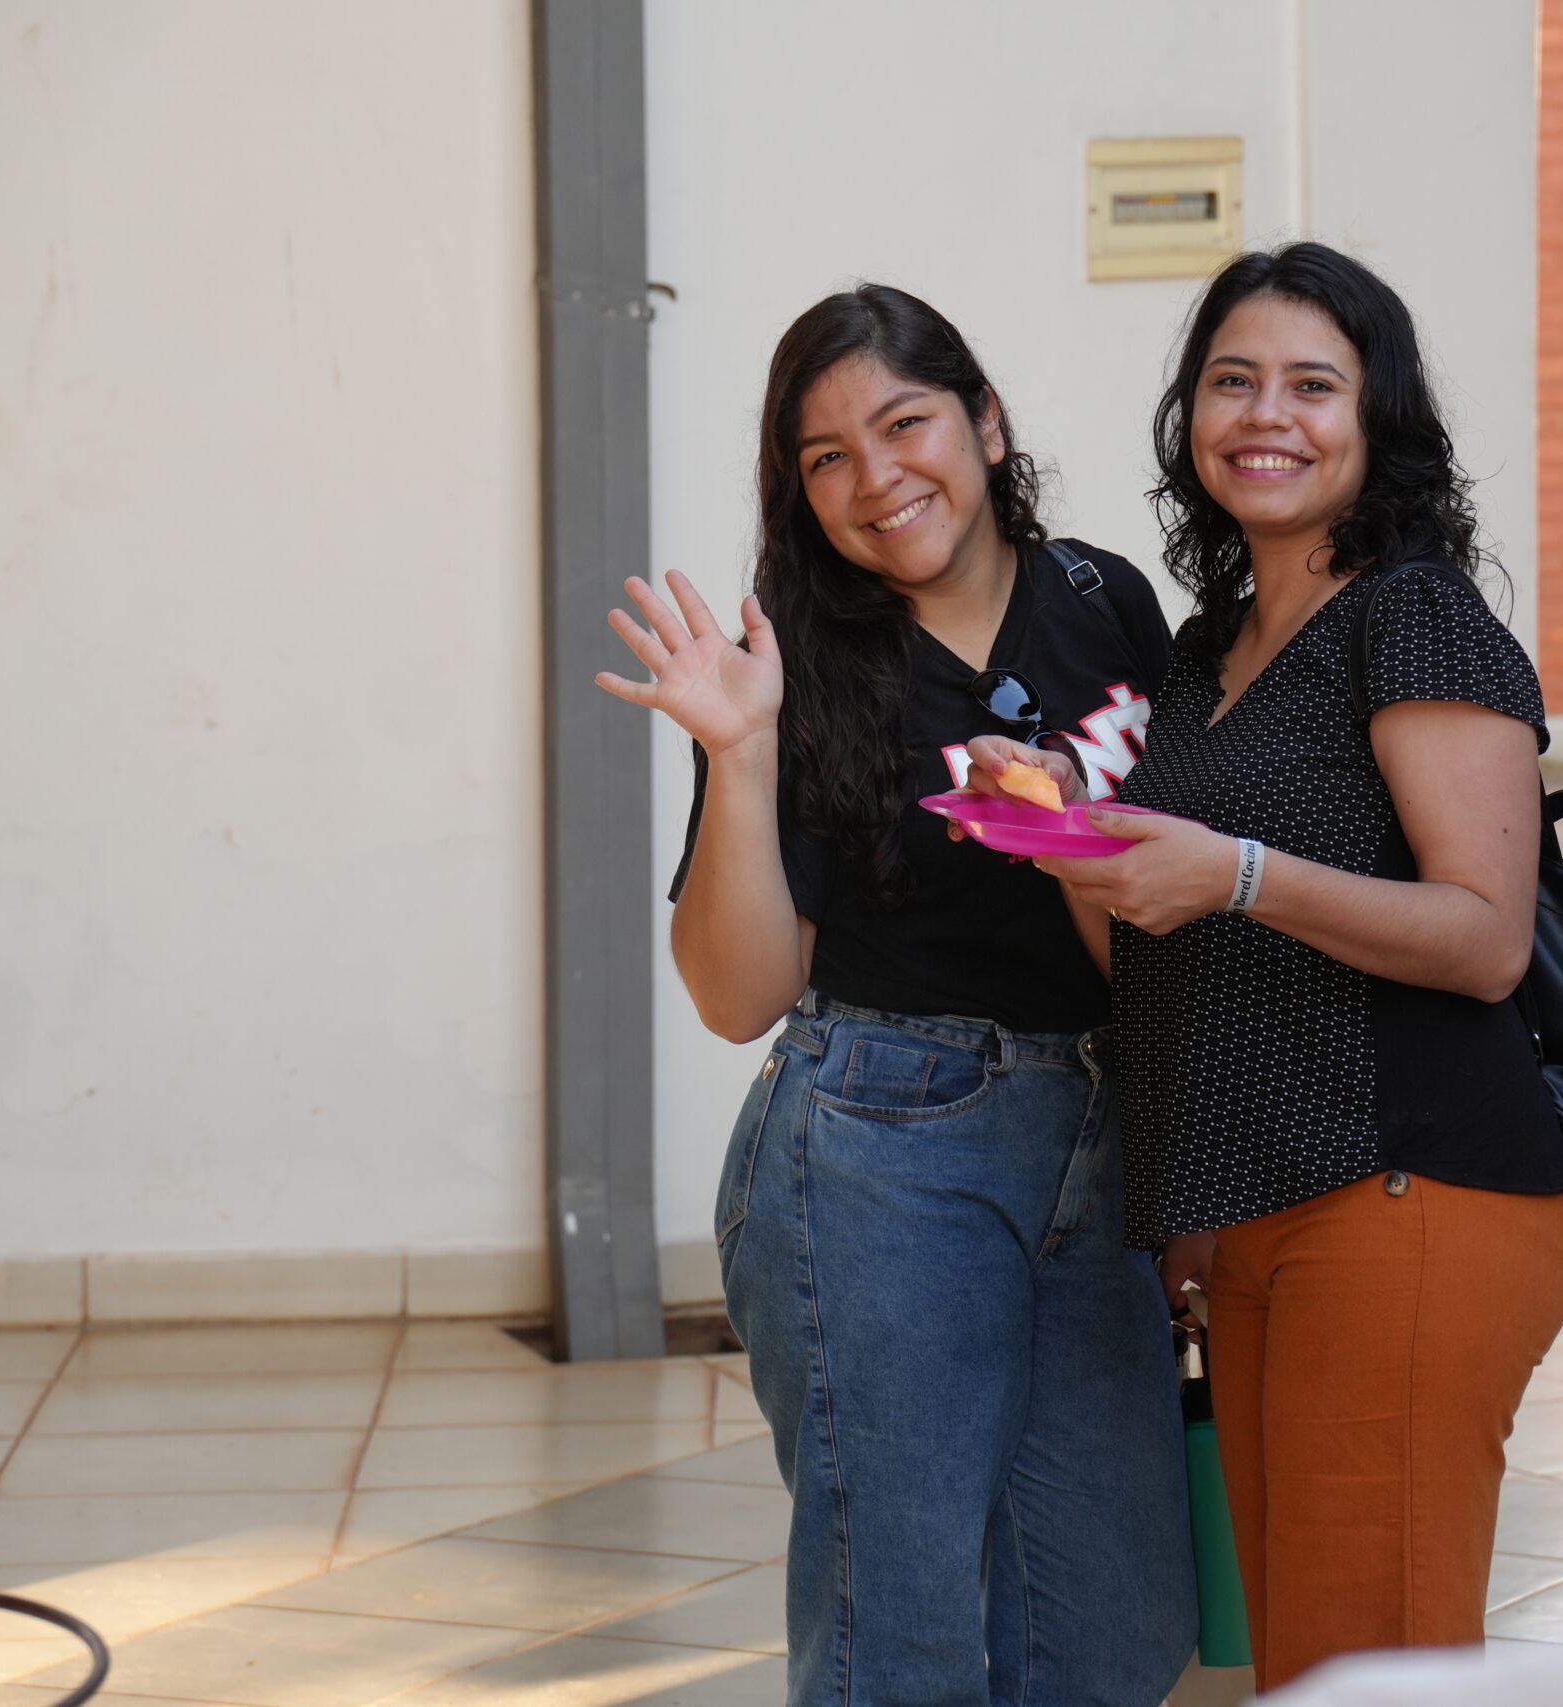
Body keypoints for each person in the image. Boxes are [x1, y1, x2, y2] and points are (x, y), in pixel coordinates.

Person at [963, 243, 1563, 1689]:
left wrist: (1235, 869)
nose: (1265, 415)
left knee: (1376, 1654)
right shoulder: (1206, 653)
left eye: (1313, 385)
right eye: (1232, 381)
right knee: (1302, 1655)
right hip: (1254, 1205)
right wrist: (1066, 833)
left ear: (1378, 420)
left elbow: (1486, 937)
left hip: (1410, 1188)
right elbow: (1155, 941)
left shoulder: (1412, 613)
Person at [593, 285, 1194, 1706]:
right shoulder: (796, 666)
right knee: (903, 1638)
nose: (876, 477)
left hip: (1100, 1133)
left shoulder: (1102, 599)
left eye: (905, 423)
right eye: (827, 456)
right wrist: (738, 753)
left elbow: (1159, 911)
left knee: (1114, 1626)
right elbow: (737, 993)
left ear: (985, 423)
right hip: (880, 1151)